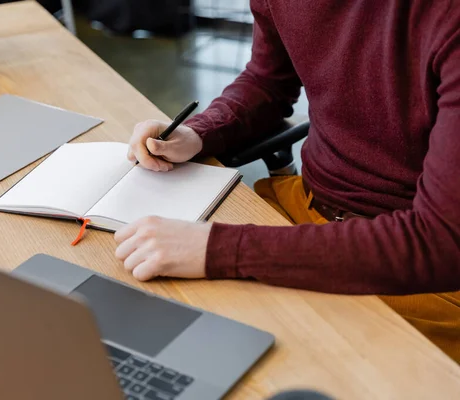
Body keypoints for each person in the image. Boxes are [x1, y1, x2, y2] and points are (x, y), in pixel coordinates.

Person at [114, 1, 460, 363]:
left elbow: (440, 240)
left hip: (416, 266)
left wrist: (220, 250)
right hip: (304, 208)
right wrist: (198, 133)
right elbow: (268, 81)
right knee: (162, 330)